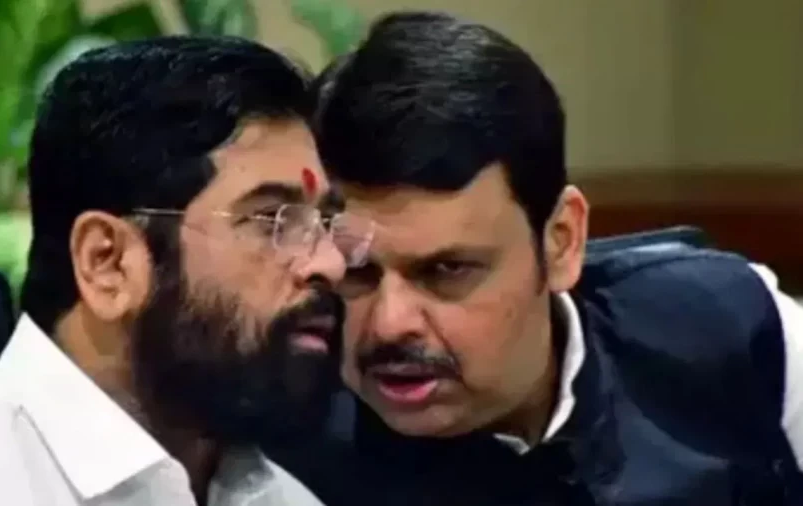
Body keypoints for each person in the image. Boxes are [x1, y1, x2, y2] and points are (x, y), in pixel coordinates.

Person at [267, 11, 803, 505]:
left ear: (562, 240)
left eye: (446, 271)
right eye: (357, 269)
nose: (389, 325)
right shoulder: (276, 450)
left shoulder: (730, 323)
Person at [0, 35, 374, 506]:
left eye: (325, 223)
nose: (331, 264)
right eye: (273, 220)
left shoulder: (281, 497)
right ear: (107, 263)